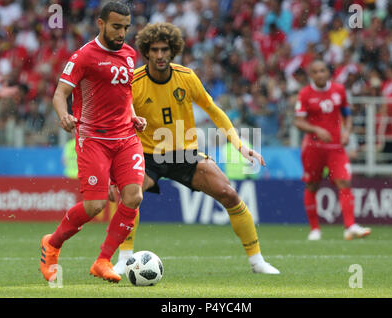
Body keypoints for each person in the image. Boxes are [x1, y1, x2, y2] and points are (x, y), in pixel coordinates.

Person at [113, 22, 279, 275]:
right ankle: (124, 259)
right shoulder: (134, 82)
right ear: (146, 52)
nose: (160, 55)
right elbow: (119, 122)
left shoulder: (186, 77)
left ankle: (257, 262)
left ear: (173, 51)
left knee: (229, 194)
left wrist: (239, 145)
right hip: (146, 155)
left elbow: (214, 111)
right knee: (129, 196)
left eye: (164, 50)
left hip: (185, 153)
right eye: (154, 50)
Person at [40, 2, 147, 284]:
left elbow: (125, 94)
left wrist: (134, 116)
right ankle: (52, 244)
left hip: (126, 137)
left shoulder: (129, 54)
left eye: (126, 27)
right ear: (100, 24)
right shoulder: (84, 56)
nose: (122, 33)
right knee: (95, 206)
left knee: (134, 196)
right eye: (116, 27)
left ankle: (103, 260)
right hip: (93, 139)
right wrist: (64, 116)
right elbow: (60, 93)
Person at [294, 60, 371, 241]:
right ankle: (314, 229)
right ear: (311, 75)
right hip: (313, 148)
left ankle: (350, 226)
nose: (320, 74)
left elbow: (347, 115)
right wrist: (316, 129)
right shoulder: (305, 94)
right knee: (312, 185)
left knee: (344, 182)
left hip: (336, 147)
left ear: (327, 73)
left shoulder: (339, 90)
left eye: (323, 70)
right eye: (316, 71)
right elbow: (298, 121)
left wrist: (347, 132)